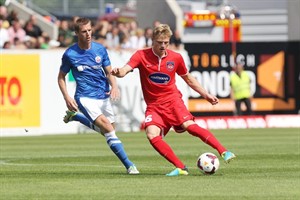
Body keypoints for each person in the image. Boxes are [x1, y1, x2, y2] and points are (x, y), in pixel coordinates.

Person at [111, 24, 236, 176]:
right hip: (154, 106)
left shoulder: (176, 57)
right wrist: (119, 72)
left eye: (166, 42)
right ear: (153, 41)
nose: (163, 46)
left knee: (189, 125)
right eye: (159, 42)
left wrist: (206, 94)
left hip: (173, 101)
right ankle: (181, 168)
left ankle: (224, 151)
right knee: (151, 134)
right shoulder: (141, 55)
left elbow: (188, 78)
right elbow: (126, 69)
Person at [57, 17, 139, 175]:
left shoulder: (100, 49)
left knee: (107, 130)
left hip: (103, 95)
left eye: (89, 30)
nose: (88, 34)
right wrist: (67, 97)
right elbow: (61, 77)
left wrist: (114, 86)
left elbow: (109, 72)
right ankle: (130, 166)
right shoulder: (70, 54)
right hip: (84, 97)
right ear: (76, 33)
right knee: (108, 129)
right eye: (84, 31)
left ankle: (76, 117)